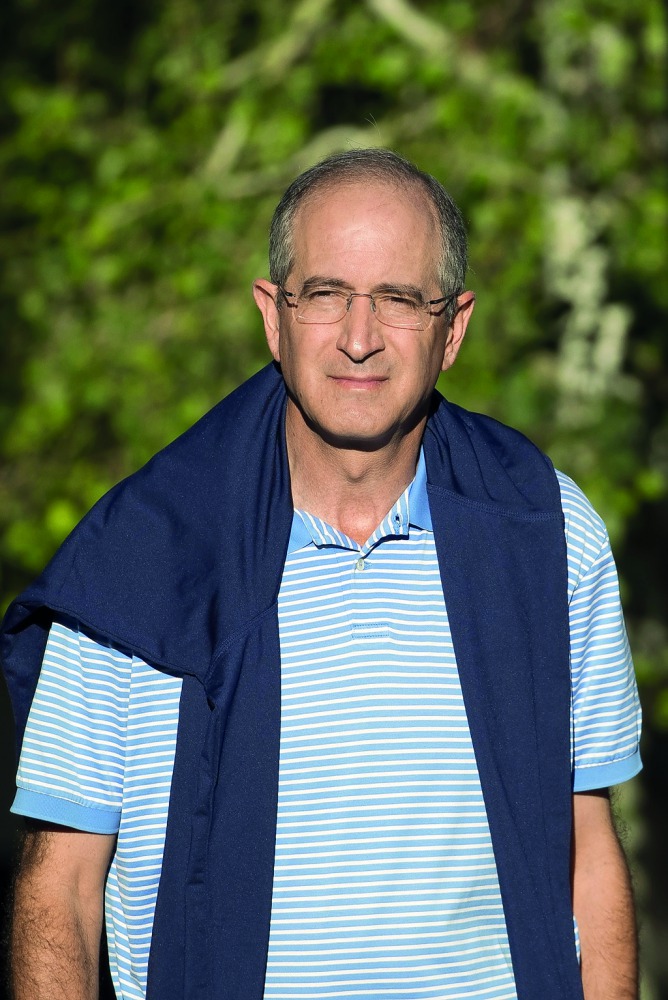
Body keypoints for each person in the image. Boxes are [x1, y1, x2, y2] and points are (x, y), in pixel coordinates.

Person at [2, 149, 641, 1000]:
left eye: (400, 299)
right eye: (327, 294)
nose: (359, 336)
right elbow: (63, 885)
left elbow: (587, 849)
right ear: (274, 315)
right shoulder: (138, 557)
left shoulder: (549, 534)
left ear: (453, 327)